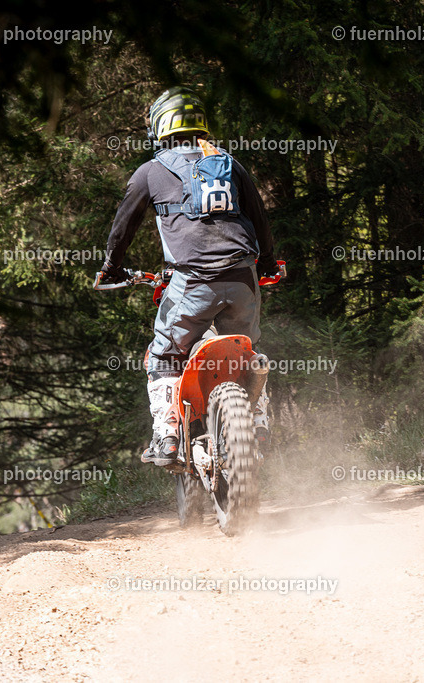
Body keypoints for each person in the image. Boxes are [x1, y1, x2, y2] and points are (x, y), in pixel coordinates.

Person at [99, 87, 280, 466]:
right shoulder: (231, 164)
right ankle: (259, 422)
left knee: (164, 354)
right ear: (201, 126)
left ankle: (166, 434)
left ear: (160, 127)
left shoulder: (152, 170)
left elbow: (123, 226)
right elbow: (259, 219)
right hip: (243, 279)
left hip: (192, 283)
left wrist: (111, 268)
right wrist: (266, 264)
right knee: (247, 349)